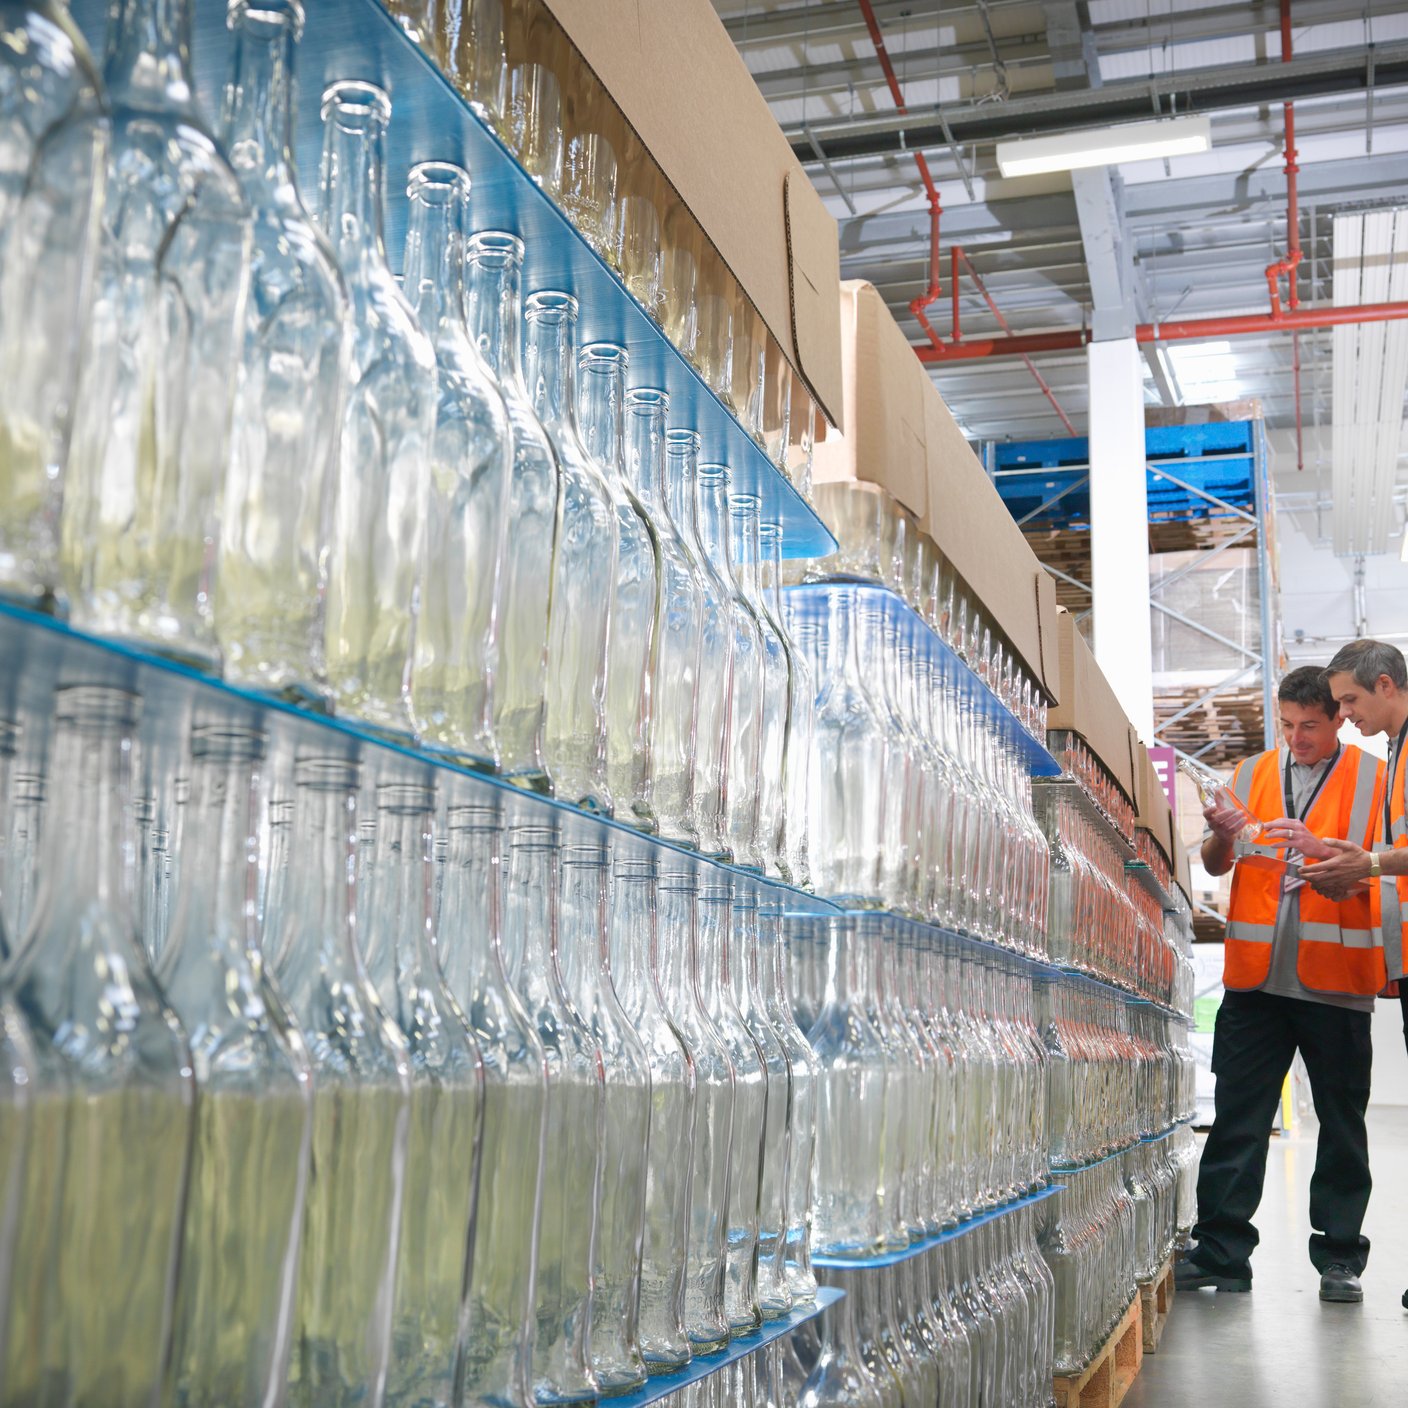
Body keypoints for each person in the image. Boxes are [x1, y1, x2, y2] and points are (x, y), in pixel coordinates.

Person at [1176, 665, 1385, 1304]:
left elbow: (1389, 868)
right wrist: (1220, 832)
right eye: (1288, 725)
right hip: (1255, 981)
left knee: (1342, 1125)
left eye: (1312, 726)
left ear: (1338, 720)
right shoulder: (1248, 776)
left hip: (1337, 982)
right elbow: (1217, 864)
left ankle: (1341, 1260)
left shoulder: (1376, 782)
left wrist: (1334, 861)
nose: (1297, 738)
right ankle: (1221, 1253)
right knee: (1240, 1118)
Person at [1306, 639, 1408, 1308]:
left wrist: (1367, 865)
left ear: (1384, 685)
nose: (1345, 715)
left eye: (1348, 701)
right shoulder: (1396, 753)